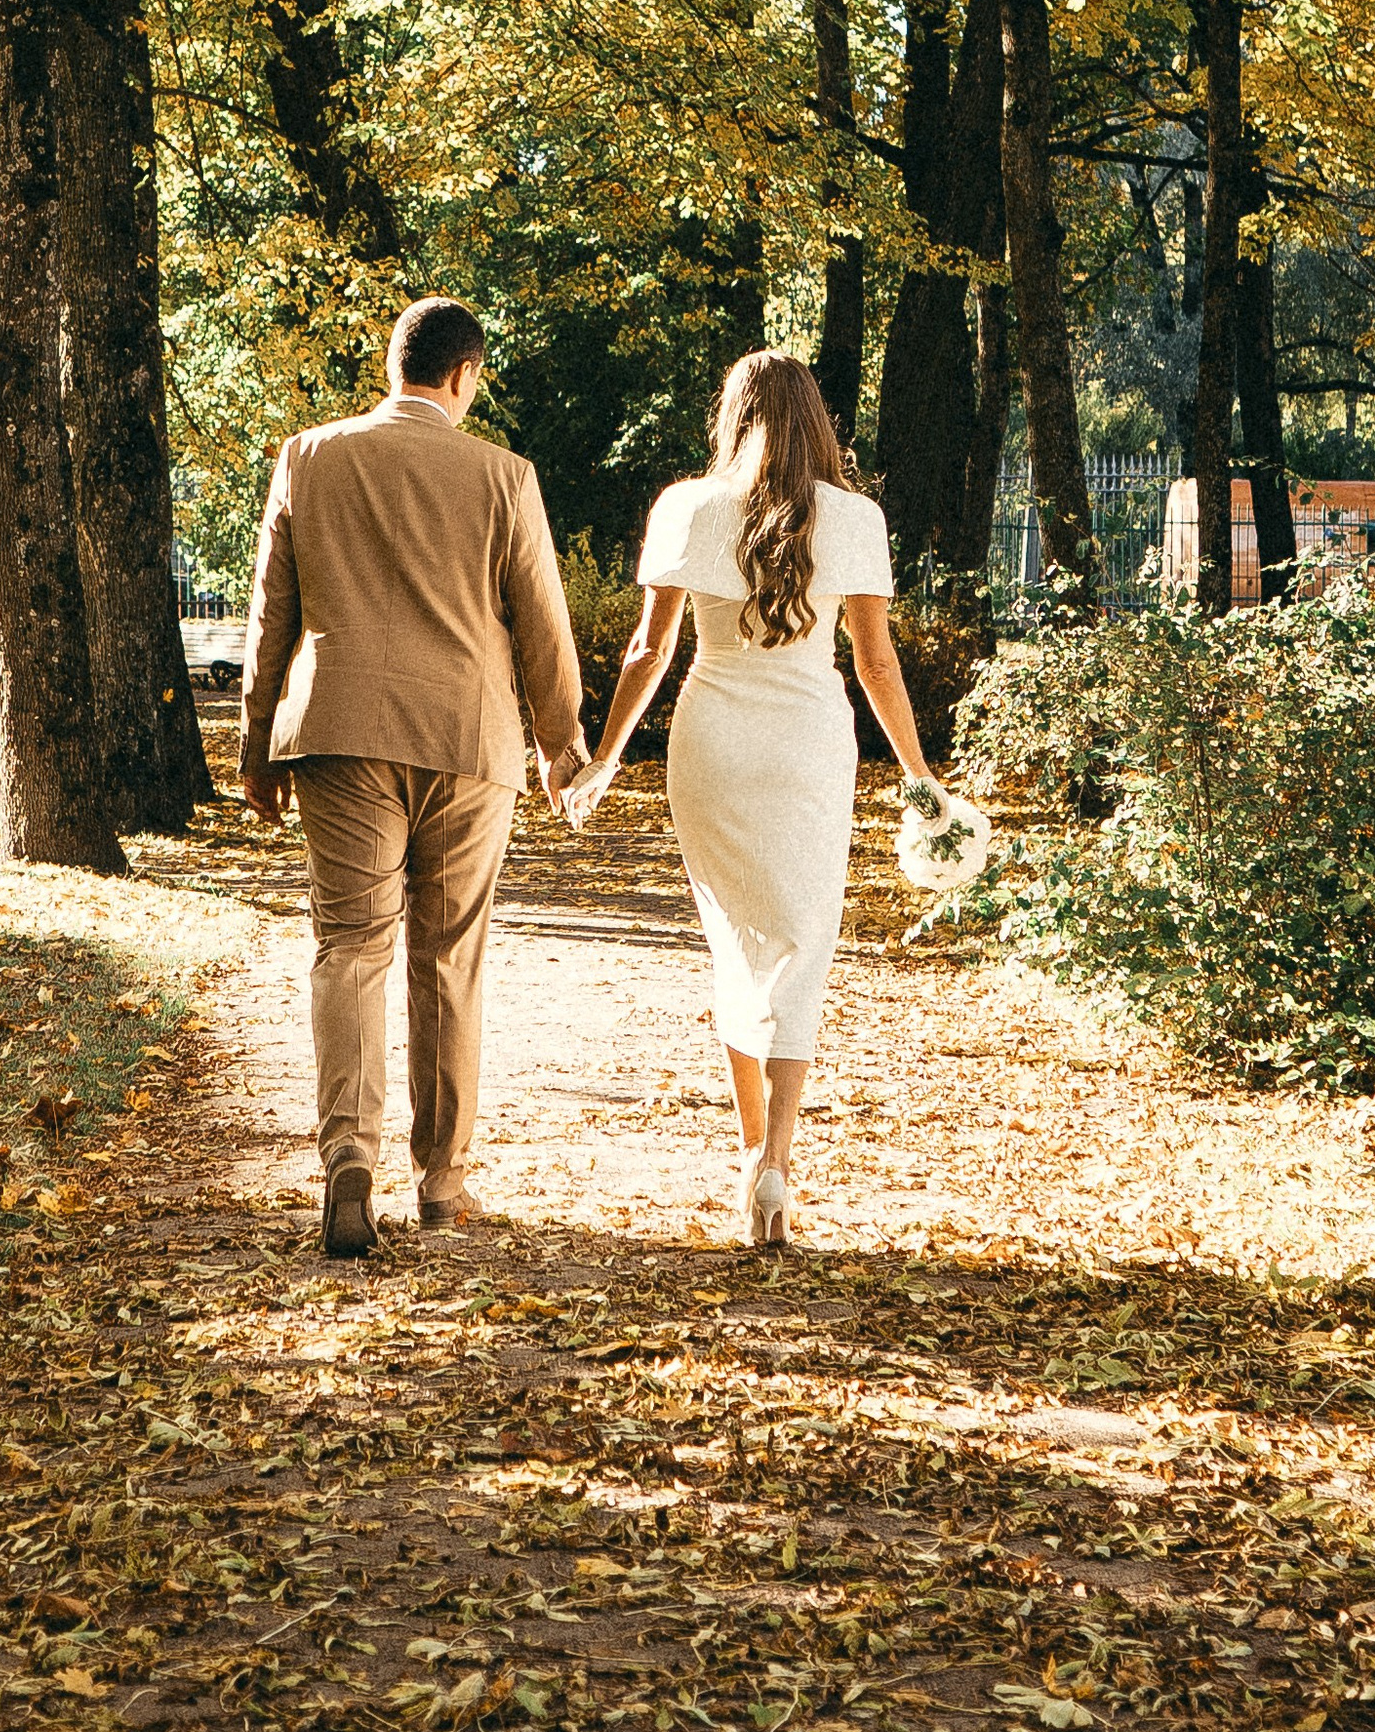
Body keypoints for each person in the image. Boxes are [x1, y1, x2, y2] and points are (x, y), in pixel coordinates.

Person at [238, 296, 587, 1257]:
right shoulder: (504, 474)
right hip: (468, 741)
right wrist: (561, 747)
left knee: (350, 945)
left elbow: (273, 611)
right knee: (448, 955)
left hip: (342, 732)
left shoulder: (310, 456)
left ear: (396, 366)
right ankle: (441, 1179)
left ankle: (348, 1154)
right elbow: (541, 621)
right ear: (464, 376)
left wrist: (256, 746)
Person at [568, 350, 936, 1251]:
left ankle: (745, 1149)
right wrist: (921, 776)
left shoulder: (687, 507)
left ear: (732, 414)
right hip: (812, 740)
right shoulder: (854, 518)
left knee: (733, 936)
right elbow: (876, 665)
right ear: (817, 419)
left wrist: (603, 759)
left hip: (713, 740)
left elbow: (646, 654)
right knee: (804, 941)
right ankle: (778, 1156)